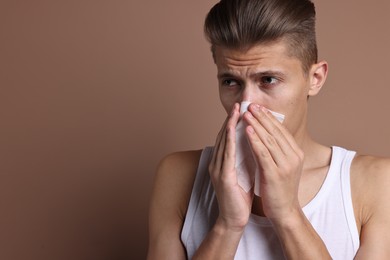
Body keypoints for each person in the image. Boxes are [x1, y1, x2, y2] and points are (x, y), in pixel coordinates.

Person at [147, 0, 390, 259]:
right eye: (231, 81)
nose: (246, 103)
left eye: (268, 80)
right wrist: (227, 225)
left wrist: (288, 215)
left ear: (315, 79)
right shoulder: (178, 175)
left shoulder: (373, 183)